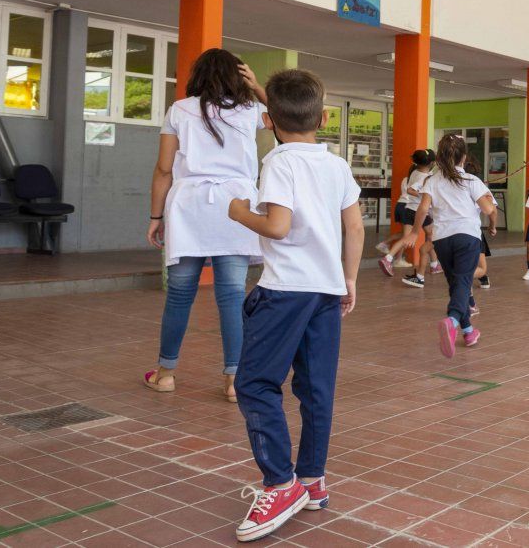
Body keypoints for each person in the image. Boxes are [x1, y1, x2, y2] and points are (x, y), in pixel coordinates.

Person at [226, 69, 364, 541]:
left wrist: (242, 213)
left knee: (254, 384)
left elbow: (279, 226)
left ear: (267, 120)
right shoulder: (336, 164)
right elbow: (356, 228)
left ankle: (280, 483)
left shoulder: (279, 162)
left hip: (284, 292)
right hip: (326, 292)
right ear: (324, 117)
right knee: (316, 389)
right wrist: (348, 279)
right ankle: (312, 480)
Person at [143, 49, 268, 402]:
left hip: (189, 205)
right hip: (236, 204)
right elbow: (288, 119)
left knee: (180, 295)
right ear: (237, 76)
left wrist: (156, 217)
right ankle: (233, 380)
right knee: (231, 295)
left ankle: (165, 374)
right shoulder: (250, 111)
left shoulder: (180, 109)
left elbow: (164, 169)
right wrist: (258, 88)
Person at [413, 133, 498, 358]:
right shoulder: (471, 181)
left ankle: (468, 331)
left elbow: (422, 209)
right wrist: (493, 225)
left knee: (456, 284)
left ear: (439, 157)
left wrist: (415, 231)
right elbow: (490, 210)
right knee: (462, 282)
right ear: (464, 158)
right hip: (467, 238)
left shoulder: (431, 181)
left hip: (442, 240)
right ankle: (452, 321)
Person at [380, 150, 439, 278]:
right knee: (432, 236)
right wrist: (424, 196)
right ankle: (434, 265)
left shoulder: (416, 172)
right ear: (431, 163)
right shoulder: (424, 177)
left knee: (408, 238)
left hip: (409, 209)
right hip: (419, 211)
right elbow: (410, 190)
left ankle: (389, 258)